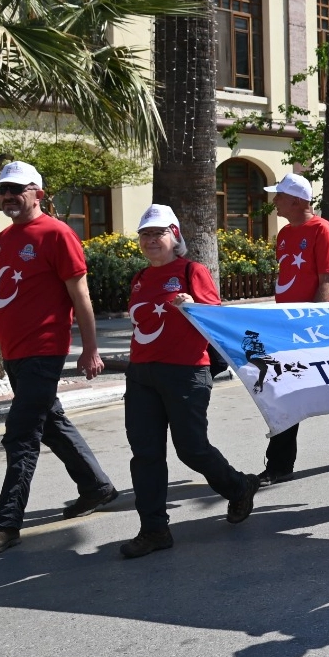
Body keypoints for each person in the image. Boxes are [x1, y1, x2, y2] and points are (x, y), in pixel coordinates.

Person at [0, 162, 117, 554]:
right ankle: (96, 486)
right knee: (50, 421)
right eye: (3, 190)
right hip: (14, 351)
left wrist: (90, 348)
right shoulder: (4, 239)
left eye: (17, 189)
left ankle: (5, 523)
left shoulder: (57, 234)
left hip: (44, 350)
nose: (8, 196)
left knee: (21, 434)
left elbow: (81, 296)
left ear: (37, 193)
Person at [118, 205, 261, 557]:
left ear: (174, 236)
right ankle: (153, 530)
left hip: (185, 373)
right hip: (141, 375)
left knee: (191, 449)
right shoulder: (139, 277)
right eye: (146, 234)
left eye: (159, 233)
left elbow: (215, 317)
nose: (151, 240)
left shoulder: (190, 270)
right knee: (146, 454)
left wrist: (192, 304)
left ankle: (238, 486)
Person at [256, 173, 329, 486]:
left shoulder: (322, 230)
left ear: (297, 200)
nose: (275, 201)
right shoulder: (284, 234)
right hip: (287, 326)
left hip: (315, 327)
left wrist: (313, 320)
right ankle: (280, 464)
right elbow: (288, 279)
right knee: (286, 391)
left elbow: (327, 279)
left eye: (280, 196)